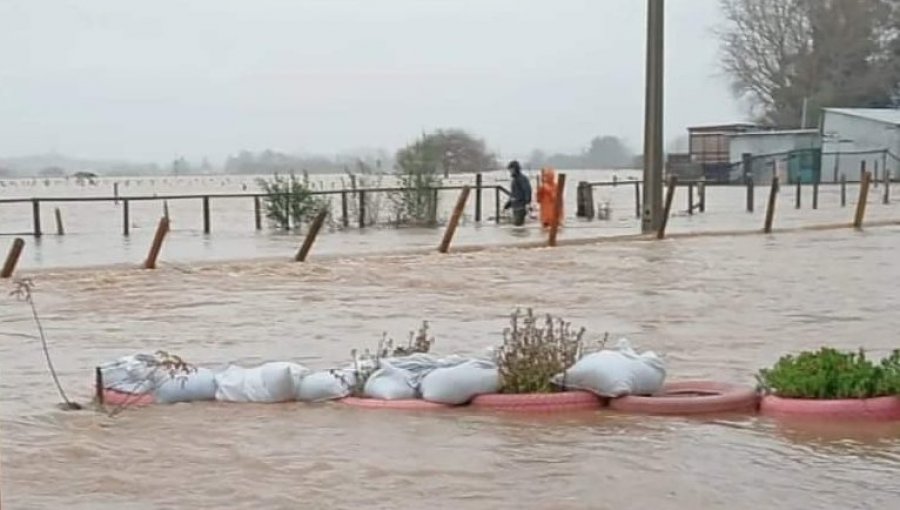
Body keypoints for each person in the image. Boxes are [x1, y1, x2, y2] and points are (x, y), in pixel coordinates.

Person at [504, 160, 532, 226]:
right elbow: (513, 194)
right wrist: (508, 204)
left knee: (518, 226)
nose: (510, 171)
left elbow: (527, 190)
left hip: (521, 207)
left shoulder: (522, 178)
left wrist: (527, 203)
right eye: (509, 169)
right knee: (516, 227)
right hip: (515, 206)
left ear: (515, 169)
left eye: (511, 169)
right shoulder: (514, 180)